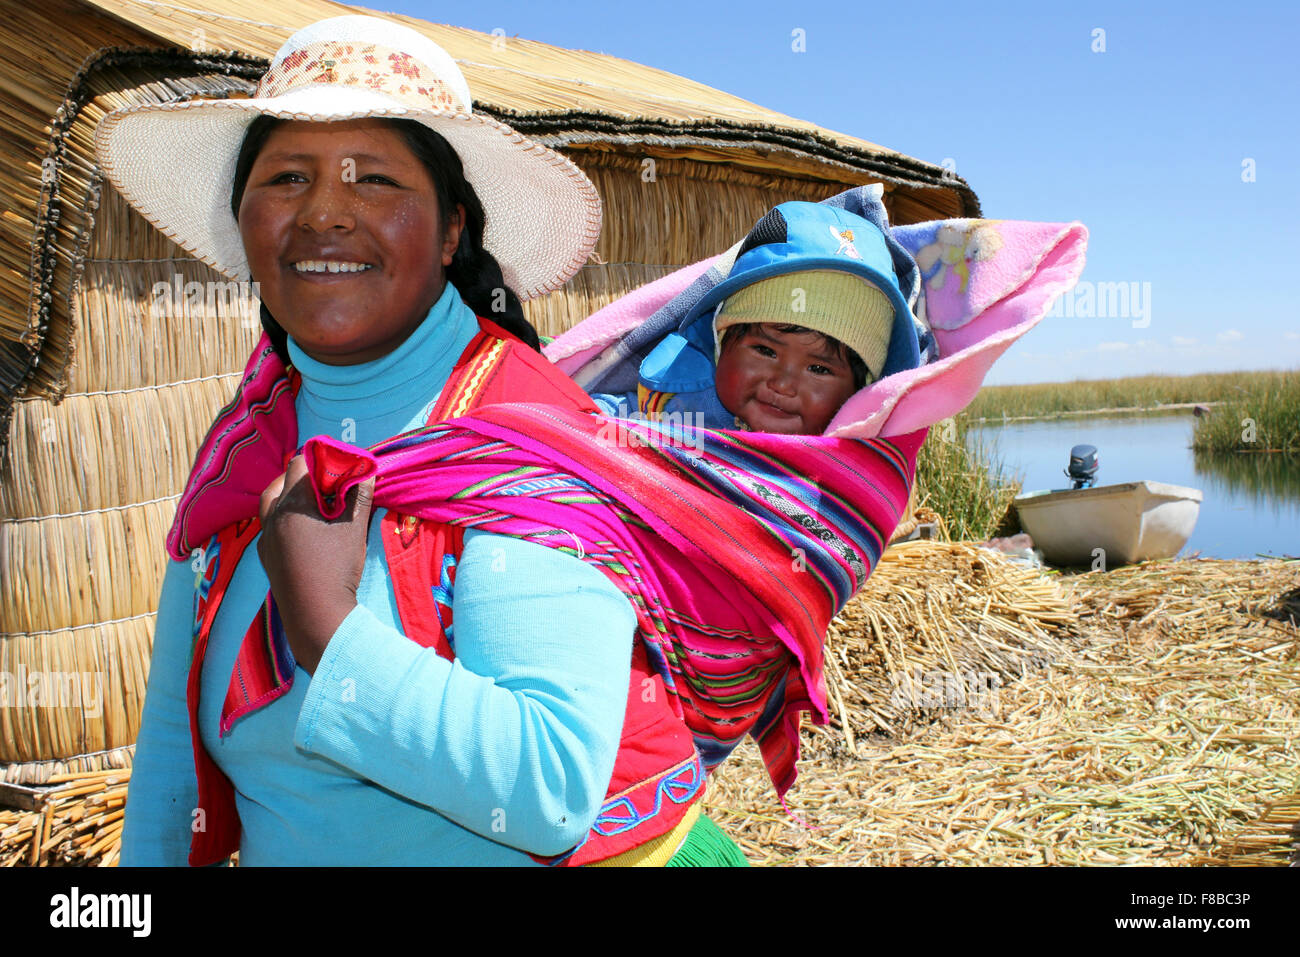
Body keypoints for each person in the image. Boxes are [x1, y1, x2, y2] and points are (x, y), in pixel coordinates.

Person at [97, 15, 743, 866]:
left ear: (450, 232)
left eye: (376, 182)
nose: (325, 213)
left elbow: (548, 790)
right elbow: (169, 773)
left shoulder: (526, 443)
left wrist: (330, 629)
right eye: (287, 177)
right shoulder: (244, 446)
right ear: (245, 221)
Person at [593, 202, 919, 435]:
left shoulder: (842, 472)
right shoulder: (673, 399)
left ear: (856, 392)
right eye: (765, 351)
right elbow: (601, 419)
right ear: (721, 343)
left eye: (819, 369)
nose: (782, 384)